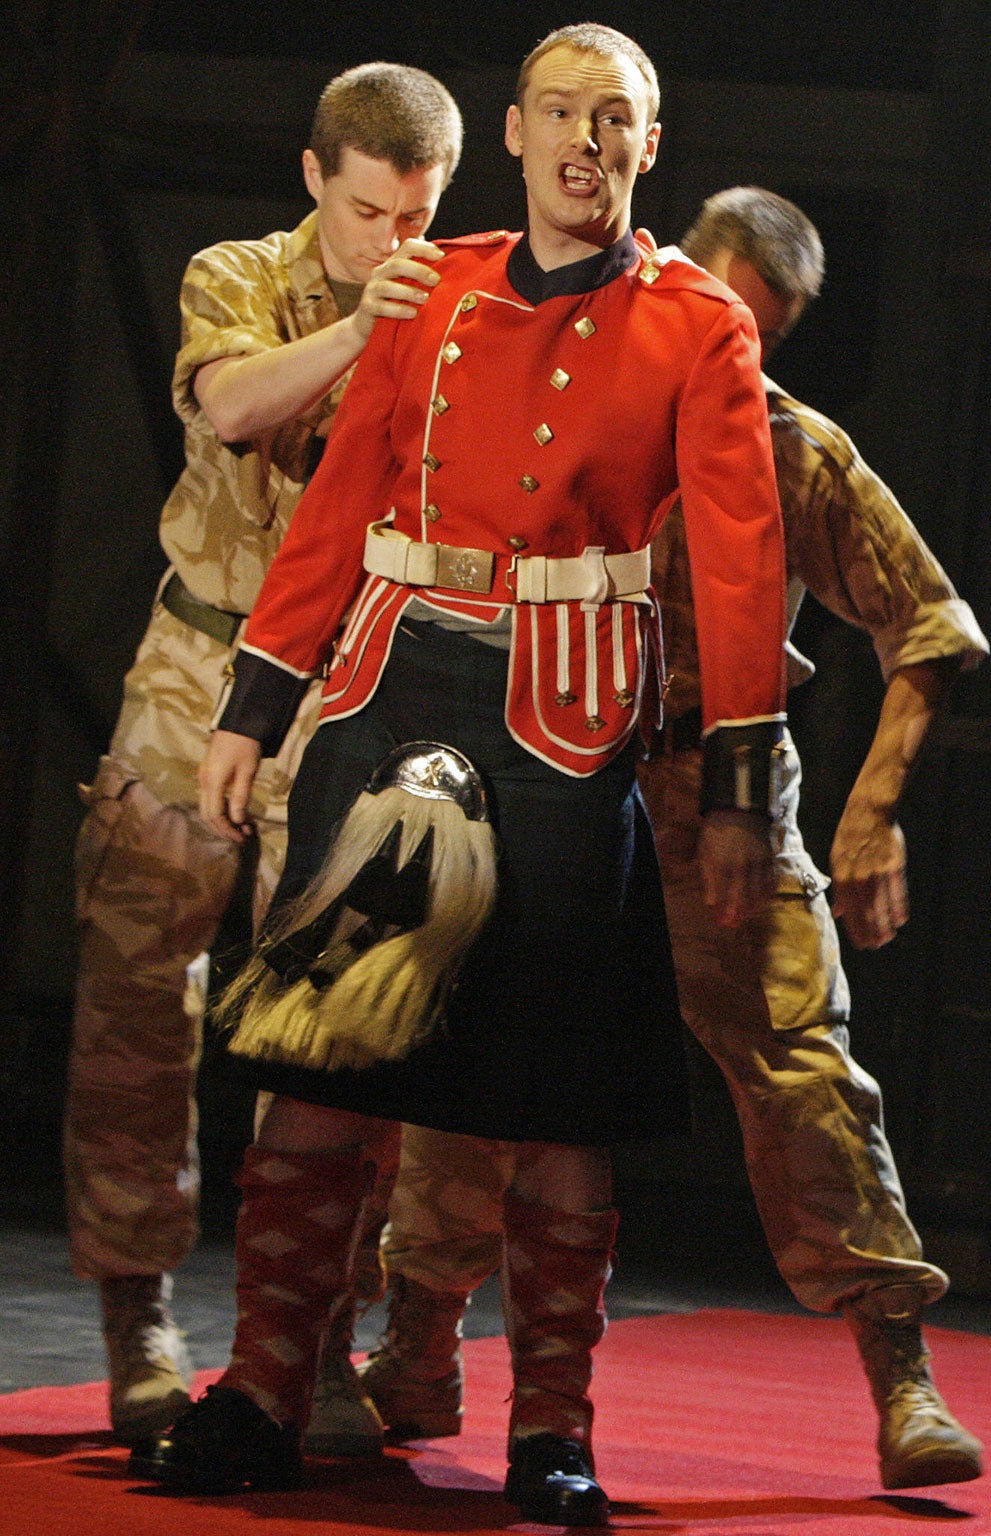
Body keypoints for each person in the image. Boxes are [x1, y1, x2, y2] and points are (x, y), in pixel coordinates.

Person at [131, 26, 790, 1527]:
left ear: (648, 145)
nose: (583, 141)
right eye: (559, 112)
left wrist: (744, 789)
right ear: (512, 129)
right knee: (316, 1074)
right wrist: (252, 708)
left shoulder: (700, 326)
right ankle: (259, 1394)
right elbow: (343, 497)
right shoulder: (432, 289)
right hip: (388, 693)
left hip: (567, 728)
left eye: (611, 119)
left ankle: (552, 1428)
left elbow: (743, 567)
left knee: (555, 1109)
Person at [355, 187, 991, 1490]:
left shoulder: (788, 447)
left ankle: (900, 1367)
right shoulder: (554, 398)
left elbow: (927, 627)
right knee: (467, 1058)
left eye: (756, 334)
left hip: (722, 781)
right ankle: (416, 1344)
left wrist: (872, 811)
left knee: (806, 1071)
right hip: (549, 762)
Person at [64, 61, 461, 1446]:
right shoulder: (238, 272)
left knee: (339, 1023)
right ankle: (136, 1314)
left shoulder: (456, 307)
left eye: (418, 217)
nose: (393, 244)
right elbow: (232, 408)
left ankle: (314, 1337)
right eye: (369, 213)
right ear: (317, 178)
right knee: (138, 1005)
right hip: (195, 673)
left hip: (342, 688)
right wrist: (365, 327)